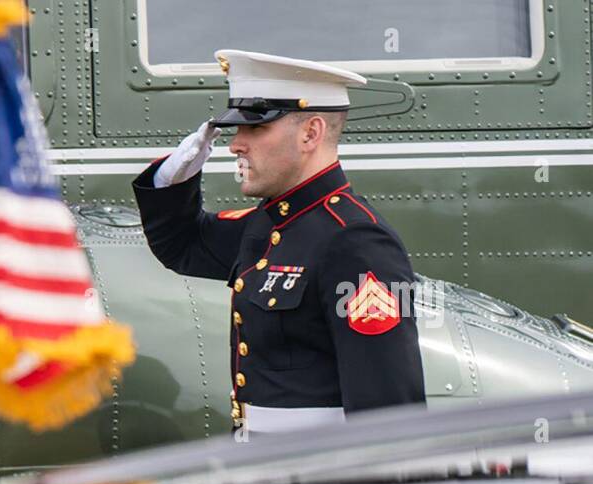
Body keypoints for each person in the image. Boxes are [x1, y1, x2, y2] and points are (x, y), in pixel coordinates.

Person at [132, 49, 426, 436]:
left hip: (325, 482)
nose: (236, 144)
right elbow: (183, 245)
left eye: (254, 128)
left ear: (311, 133)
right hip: (269, 471)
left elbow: (389, 408)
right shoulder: (270, 225)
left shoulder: (355, 241)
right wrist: (175, 175)